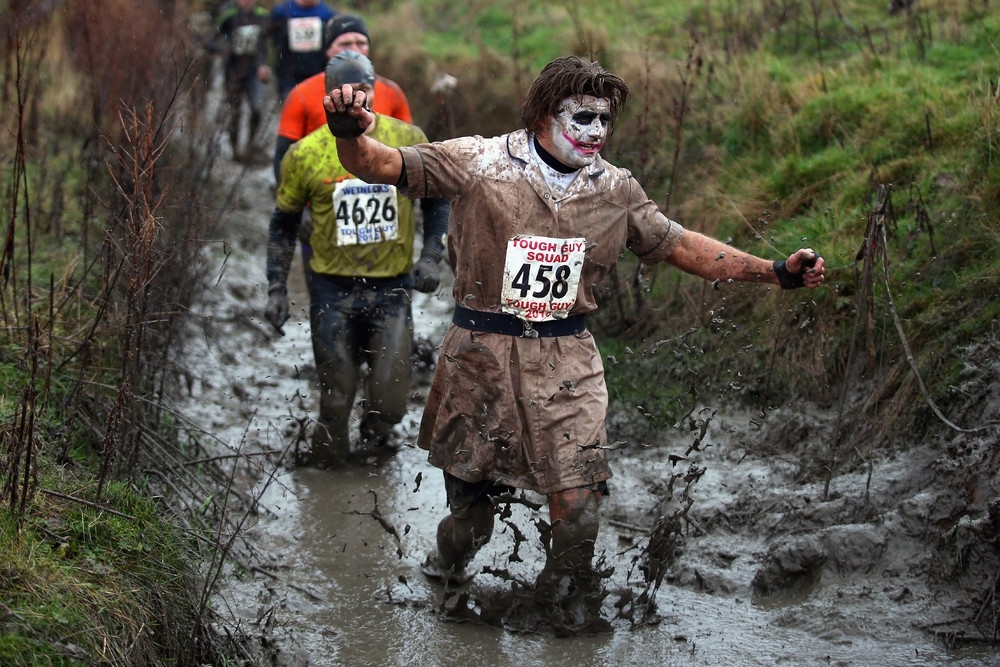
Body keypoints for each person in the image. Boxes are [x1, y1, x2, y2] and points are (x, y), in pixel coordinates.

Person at [322, 56, 826, 615]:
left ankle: (566, 601)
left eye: (604, 121)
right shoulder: (479, 161)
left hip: (568, 362)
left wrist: (775, 272)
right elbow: (381, 164)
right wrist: (348, 135)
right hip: (480, 359)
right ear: (543, 115)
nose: (595, 133)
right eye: (581, 118)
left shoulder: (616, 190)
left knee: (581, 503)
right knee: (472, 520)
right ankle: (448, 568)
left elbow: (680, 245)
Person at [264, 51, 450, 468]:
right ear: (328, 95)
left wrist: (431, 257)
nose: (356, 99)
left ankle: (374, 450)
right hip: (333, 291)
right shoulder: (306, 154)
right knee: (335, 398)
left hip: (391, 290)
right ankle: (327, 479)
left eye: (364, 89)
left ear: (376, 90)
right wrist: (277, 288)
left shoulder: (407, 139)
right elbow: (283, 223)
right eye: (345, 91)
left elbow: (437, 201)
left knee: (390, 402)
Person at [273, 13, 415, 292]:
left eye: (361, 42)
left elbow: (412, 155)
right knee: (323, 289)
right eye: (344, 43)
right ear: (328, 49)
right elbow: (283, 156)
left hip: (383, 205)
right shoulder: (302, 94)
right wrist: (299, 211)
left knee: (389, 292)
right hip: (321, 206)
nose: (354, 49)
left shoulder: (391, 92)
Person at [211, 0, 271, 161]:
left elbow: (269, 44)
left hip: (254, 72)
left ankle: (250, 146)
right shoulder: (228, 15)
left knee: (257, 108)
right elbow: (211, 40)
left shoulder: (263, 16)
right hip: (233, 70)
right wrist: (225, 49)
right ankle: (234, 150)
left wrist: (266, 65)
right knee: (235, 112)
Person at [269, 0, 338, 100]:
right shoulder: (281, 12)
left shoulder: (328, 14)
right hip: (289, 73)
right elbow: (273, 39)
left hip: (318, 72)